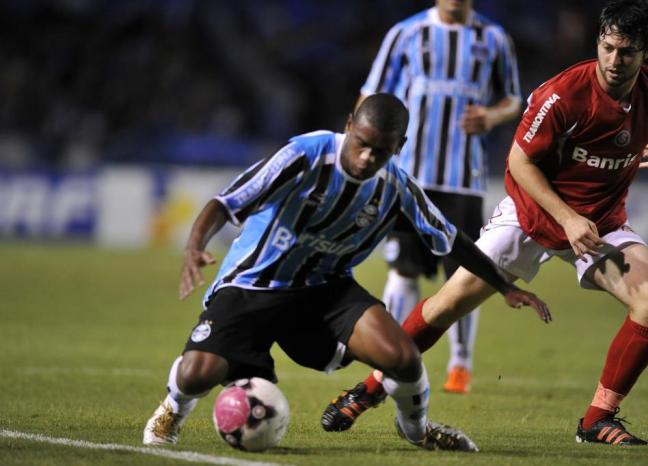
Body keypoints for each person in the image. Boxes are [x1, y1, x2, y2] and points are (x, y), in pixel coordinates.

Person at [321, 0, 648, 446]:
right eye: (608, 47)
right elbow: (519, 162)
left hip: (600, 225)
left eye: (627, 52)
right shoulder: (563, 94)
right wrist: (567, 218)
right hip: (531, 216)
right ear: (598, 42)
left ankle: (597, 419)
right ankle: (369, 389)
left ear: (646, 53)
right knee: (444, 307)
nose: (614, 60)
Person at [142, 93, 550, 452]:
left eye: (381, 151)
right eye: (362, 144)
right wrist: (194, 245)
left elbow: (451, 238)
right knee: (197, 374)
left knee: (402, 357)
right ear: (349, 126)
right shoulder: (306, 155)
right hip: (254, 283)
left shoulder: (397, 187)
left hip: (325, 290)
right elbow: (226, 201)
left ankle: (417, 430)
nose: (368, 157)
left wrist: (502, 286)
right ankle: (172, 410)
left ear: (399, 147)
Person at [361, 0, 522, 396]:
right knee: (403, 269)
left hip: (462, 178)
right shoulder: (405, 33)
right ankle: (392, 355)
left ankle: (460, 365)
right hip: (409, 175)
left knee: (463, 275)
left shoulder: (494, 38)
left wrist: (491, 116)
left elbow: (513, 99)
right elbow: (371, 93)